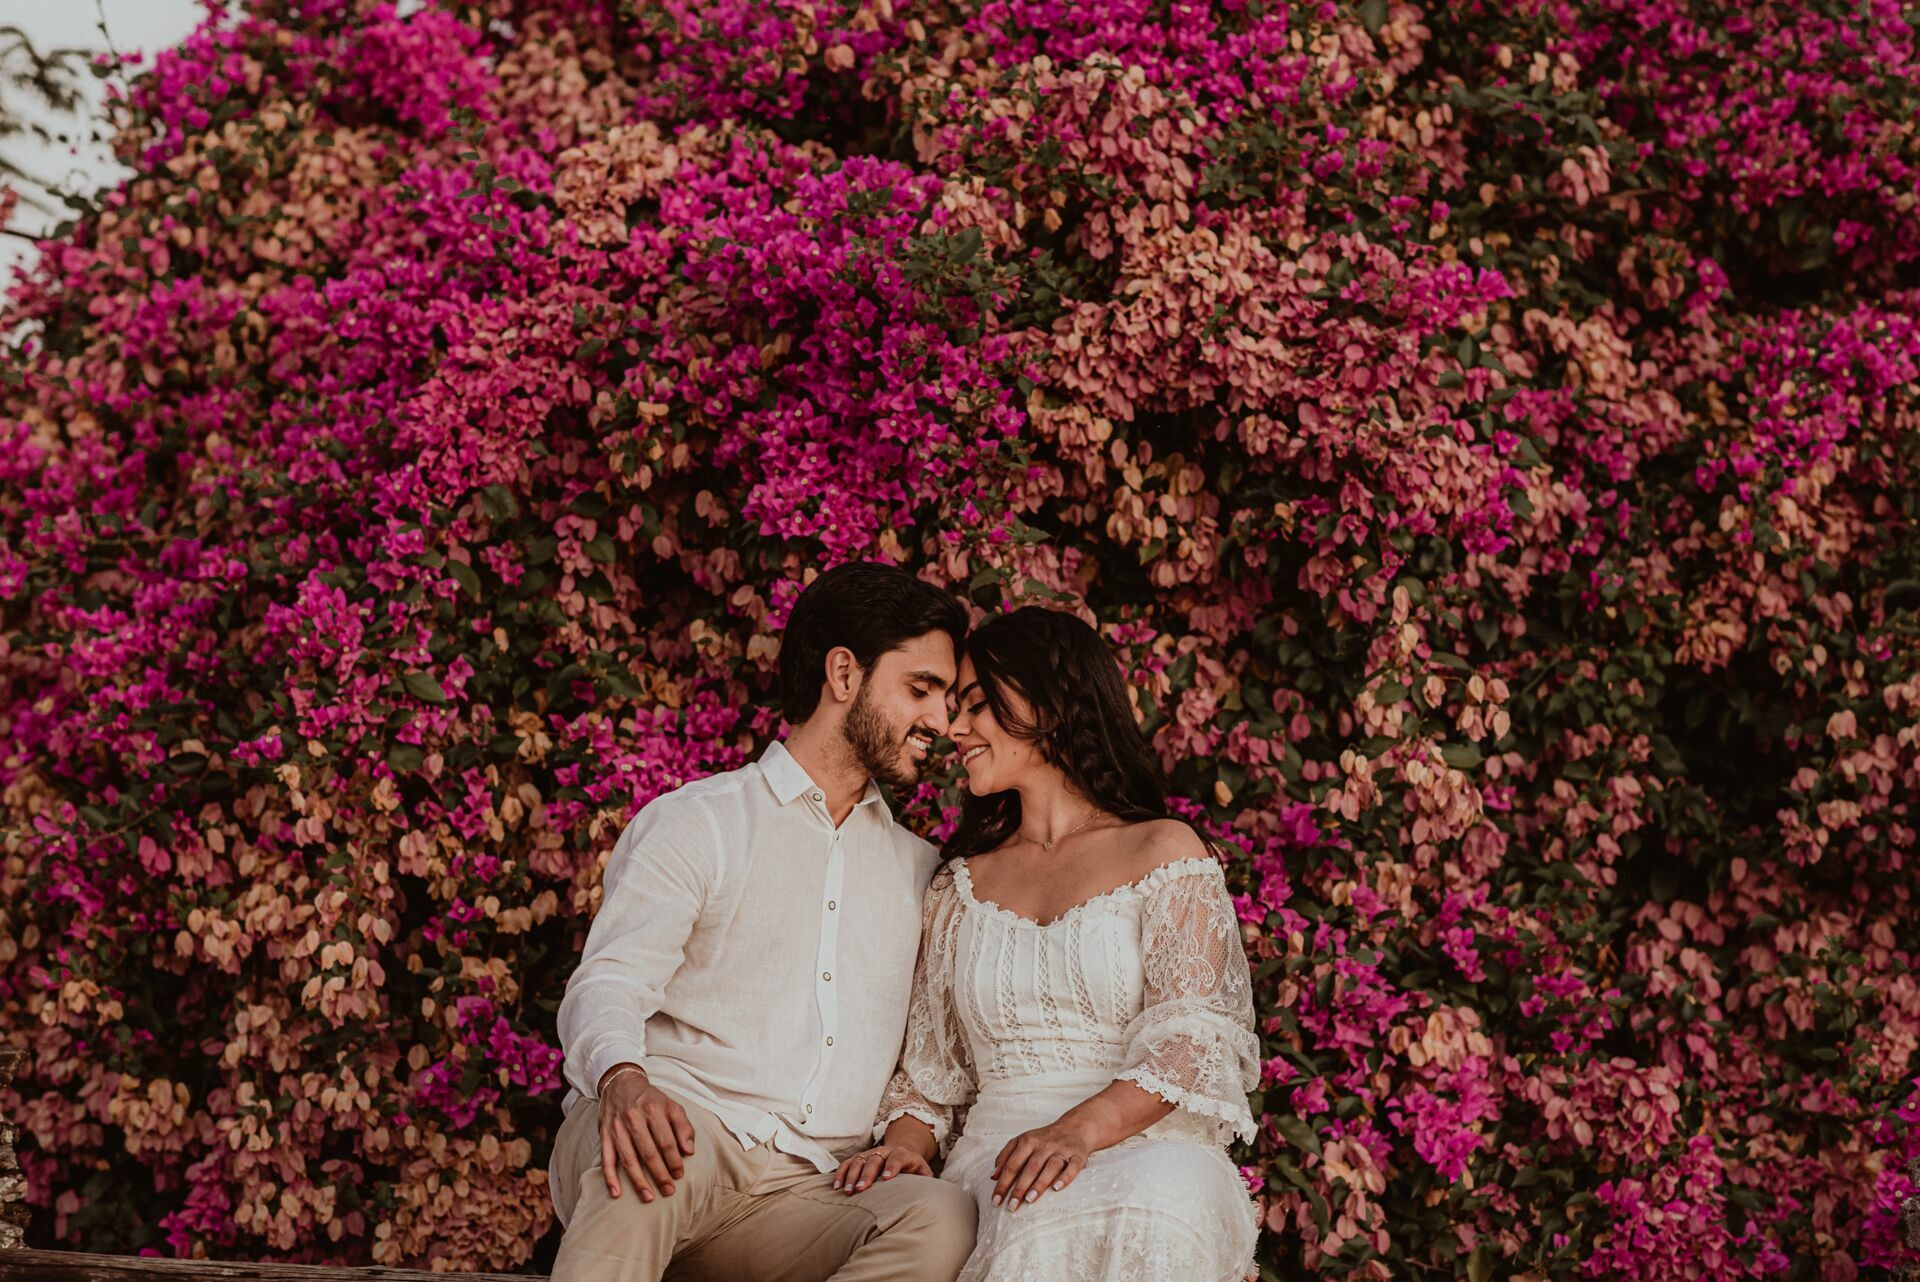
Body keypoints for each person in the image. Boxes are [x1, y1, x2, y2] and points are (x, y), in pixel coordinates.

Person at [546, 562, 978, 1282]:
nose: (940, 721)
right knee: (653, 1159)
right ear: (845, 675)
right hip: (675, 1132)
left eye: (947, 698)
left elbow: (928, 1059)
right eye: (921, 689)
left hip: (807, 1188)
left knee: (942, 1216)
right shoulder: (701, 823)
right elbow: (611, 979)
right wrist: (622, 1080)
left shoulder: (920, 871)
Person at [834, 606, 1262, 1282]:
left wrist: (1079, 1130)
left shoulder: (1164, 851)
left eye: (975, 705)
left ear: (1050, 704)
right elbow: (931, 1077)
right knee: (1028, 1208)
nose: (954, 729)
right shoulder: (959, 888)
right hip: (998, 1160)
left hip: (1140, 1143)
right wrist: (904, 1147)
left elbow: (1193, 1041)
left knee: (1159, 1199)